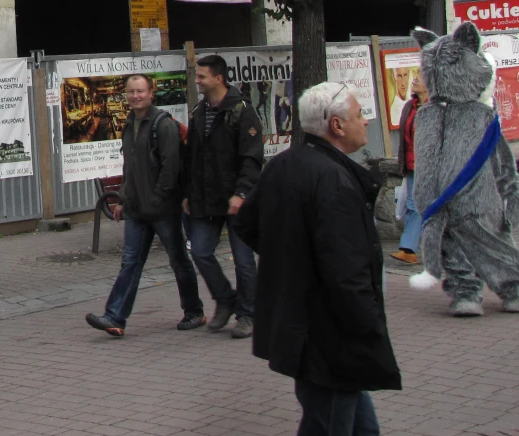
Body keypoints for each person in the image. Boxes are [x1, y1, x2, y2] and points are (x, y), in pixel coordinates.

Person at [233, 83, 401, 435]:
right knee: (329, 421)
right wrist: (369, 325)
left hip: (307, 327)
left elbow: (248, 224)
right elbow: (346, 271)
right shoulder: (334, 181)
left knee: (361, 426)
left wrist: (291, 259)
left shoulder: (285, 164)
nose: (366, 121)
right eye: (359, 115)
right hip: (330, 334)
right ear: (336, 126)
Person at [85, 74, 206, 338]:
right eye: (131, 92)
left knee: (179, 261)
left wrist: (157, 199)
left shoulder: (163, 125)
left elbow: (170, 168)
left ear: (151, 93)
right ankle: (115, 318)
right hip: (138, 210)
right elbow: (131, 168)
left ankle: (194, 311)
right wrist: (123, 200)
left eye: (140, 91)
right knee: (130, 263)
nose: (135, 96)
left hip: (163, 210)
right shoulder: (129, 125)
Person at [182, 54, 263, 338]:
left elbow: (252, 159)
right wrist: (188, 193)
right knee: (201, 251)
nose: (198, 81)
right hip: (206, 198)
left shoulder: (241, 111)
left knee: (243, 260)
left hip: (237, 201)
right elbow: (192, 156)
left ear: (218, 78)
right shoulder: (198, 111)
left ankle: (248, 315)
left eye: (202, 76)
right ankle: (226, 300)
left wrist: (242, 193)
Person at [391, 75, 427, 264]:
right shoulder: (409, 107)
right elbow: (404, 139)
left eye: (418, 78)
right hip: (413, 166)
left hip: (431, 168)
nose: (414, 80)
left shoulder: (436, 108)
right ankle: (409, 249)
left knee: (433, 206)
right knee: (414, 205)